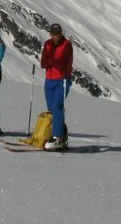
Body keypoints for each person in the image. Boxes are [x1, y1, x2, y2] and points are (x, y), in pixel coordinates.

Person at [40, 22, 73, 151]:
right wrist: (51, 61)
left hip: (63, 80)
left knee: (57, 107)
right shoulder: (47, 44)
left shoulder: (67, 45)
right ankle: (61, 136)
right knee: (52, 110)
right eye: (53, 34)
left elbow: (61, 63)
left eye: (57, 34)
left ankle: (57, 138)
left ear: (61, 33)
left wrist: (50, 60)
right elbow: (43, 63)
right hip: (49, 80)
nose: (55, 36)